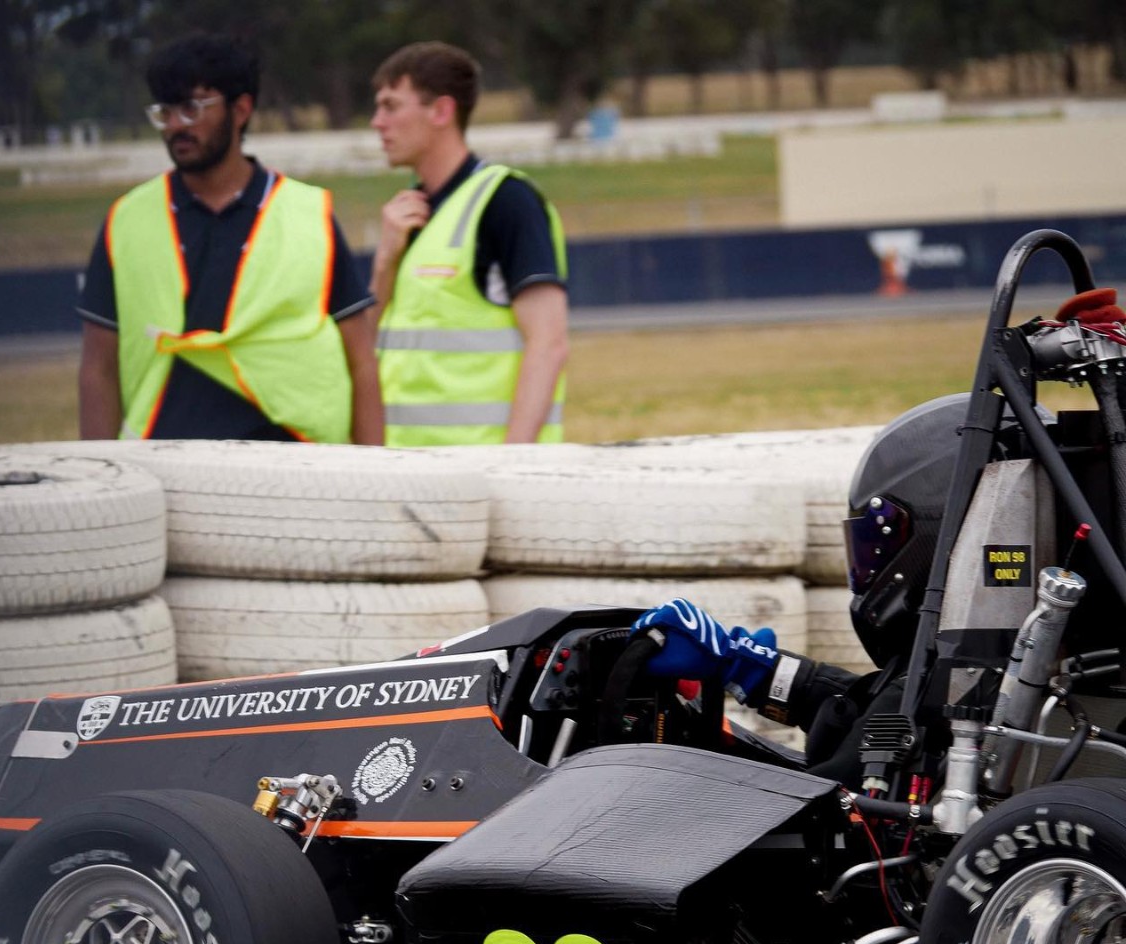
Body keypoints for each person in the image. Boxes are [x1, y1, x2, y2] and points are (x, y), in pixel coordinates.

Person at [631, 393, 971, 788]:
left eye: (877, 542)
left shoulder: (943, 691)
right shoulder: (986, 669)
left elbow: (821, 810)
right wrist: (745, 665)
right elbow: (862, 706)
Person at [77, 33, 384, 445]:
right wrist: (100, 479)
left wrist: (371, 477)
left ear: (241, 109)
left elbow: (361, 360)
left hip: (294, 471)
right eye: (164, 112)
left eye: (190, 108)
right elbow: (99, 369)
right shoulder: (127, 219)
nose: (174, 126)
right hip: (164, 465)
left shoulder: (308, 214)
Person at [369, 42, 569, 446]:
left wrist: (512, 466)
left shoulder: (506, 201)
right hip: (406, 472)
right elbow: (366, 346)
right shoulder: (410, 214)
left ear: (441, 112)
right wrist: (384, 266)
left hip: (480, 477)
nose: (377, 122)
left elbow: (548, 343)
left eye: (391, 106)